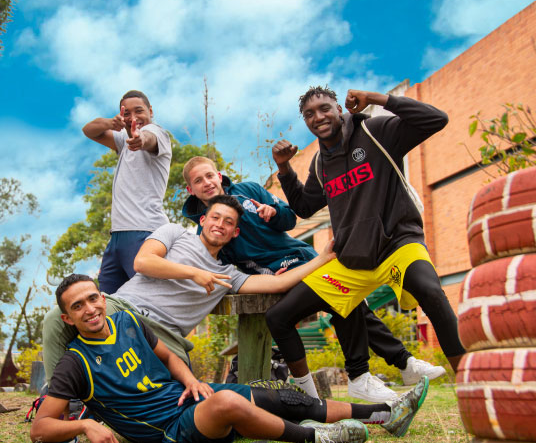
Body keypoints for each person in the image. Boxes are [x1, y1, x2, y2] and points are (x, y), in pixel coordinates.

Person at [30, 273, 429, 443]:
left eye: (93, 298)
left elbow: (168, 355)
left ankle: (383, 415)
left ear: (103, 297)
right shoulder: (74, 363)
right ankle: (316, 439)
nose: (90, 309)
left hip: (188, 400)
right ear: (67, 317)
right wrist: (84, 428)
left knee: (283, 396)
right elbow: (41, 428)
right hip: (167, 430)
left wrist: (188, 379)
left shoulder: (129, 321)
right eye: (78, 306)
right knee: (227, 401)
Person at [182, 156, 445, 401]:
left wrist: (274, 214)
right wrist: (265, 275)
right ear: (190, 190)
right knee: (344, 298)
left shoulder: (249, 190)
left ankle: (388, 367)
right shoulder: (208, 229)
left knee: (350, 300)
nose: (206, 183)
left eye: (209, 176)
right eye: (198, 181)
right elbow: (230, 271)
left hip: (306, 257)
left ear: (218, 175)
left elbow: (290, 219)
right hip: (281, 277)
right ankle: (388, 366)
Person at [268, 86, 466, 402]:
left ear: (339, 108)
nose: (318, 117)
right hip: (352, 261)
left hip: (398, 245)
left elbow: (435, 119)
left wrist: (377, 100)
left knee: (431, 293)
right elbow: (305, 207)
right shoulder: (320, 163)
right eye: (309, 114)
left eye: (325, 108)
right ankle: (309, 400)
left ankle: (470, 385)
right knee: (278, 317)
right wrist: (284, 168)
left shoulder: (375, 131)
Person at [42, 195, 335, 383]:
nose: (220, 224)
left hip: (166, 336)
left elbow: (278, 282)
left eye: (229, 222)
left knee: (180, 397)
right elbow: (143, 262)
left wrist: (322, 258)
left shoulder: (228, 275)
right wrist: (195, 273)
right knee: (55, 319)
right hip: (125, 308)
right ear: (204, 220)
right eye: (216, 217)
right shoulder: (174, 233)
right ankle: (57, 404)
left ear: (235, 233)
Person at [82, 90, 171, 294]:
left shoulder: (158, 133)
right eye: (126, 113)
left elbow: (148, 139)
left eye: (138, 111)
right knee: (108, 301)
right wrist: (109, 123)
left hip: (144, 232)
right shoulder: (123, 141)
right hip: (117, 236)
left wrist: (139, 140)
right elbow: (88, 130)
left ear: (150, 110)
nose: (133, 117)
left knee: (147, 301)